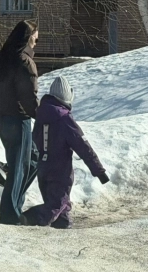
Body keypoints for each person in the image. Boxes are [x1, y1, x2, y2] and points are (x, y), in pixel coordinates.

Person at [22, 77, 109, 229]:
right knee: (56, 204)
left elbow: (34, 142)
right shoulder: (64, 118)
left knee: (62, 205)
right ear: (67, 97)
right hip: (60, 169)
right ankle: (27, 218)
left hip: (42, 169)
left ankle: (63, 227)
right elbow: (83, 146)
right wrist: (99, 170)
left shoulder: (41, 115)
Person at [0, 20, 40, 225]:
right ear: (28, 37)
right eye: (35, 35)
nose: (37, 39)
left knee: (31, 160)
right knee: (20, 167)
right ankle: (10, 214)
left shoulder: (0, 60)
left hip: (1, 120)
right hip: (19, 120)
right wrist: (43, 116)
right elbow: (29, 98)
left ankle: (13, 205)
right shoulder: (24, 62)